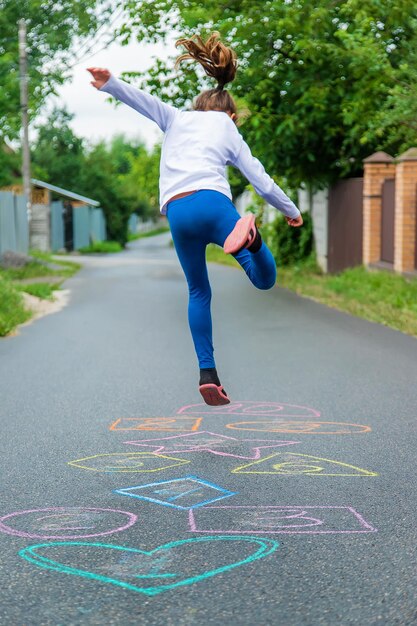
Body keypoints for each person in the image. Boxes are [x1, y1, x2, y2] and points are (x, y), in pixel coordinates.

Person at [88, 32, 303, 407]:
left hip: (178, 212)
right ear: (231, 115)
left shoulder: (177, 118)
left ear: (198, 107)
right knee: (263, 279)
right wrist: (291, 211)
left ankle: (209, 375)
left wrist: (111, 83)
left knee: (198, 292)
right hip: (214, 204)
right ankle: (251, 239)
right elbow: (260, 178)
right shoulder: (228, 128)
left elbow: (143, 101)